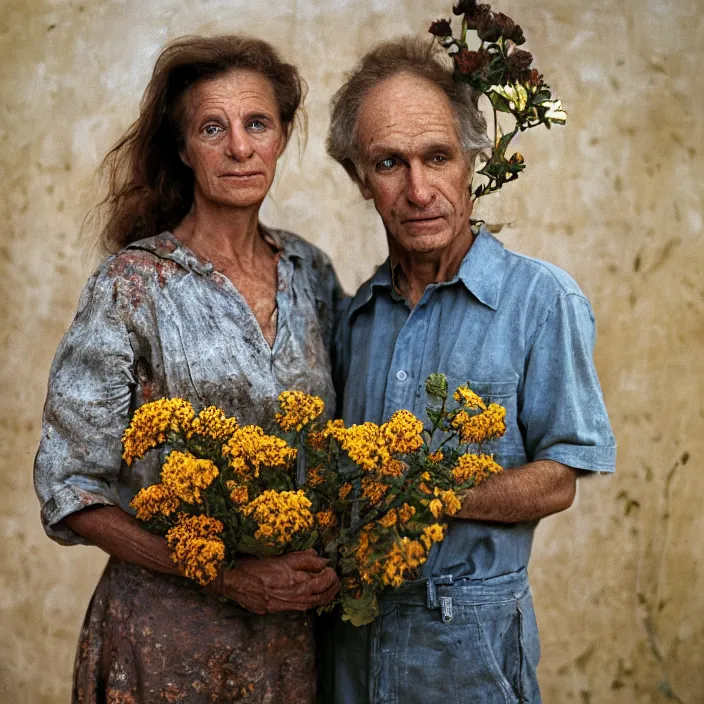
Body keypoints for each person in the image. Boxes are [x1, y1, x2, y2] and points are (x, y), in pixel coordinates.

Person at [34, 35, 341, 703]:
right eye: (213, 128)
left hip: (286, 642)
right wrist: (226, 576)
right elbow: (71, 489)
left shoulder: (310, 273)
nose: (239, 147)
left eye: (257, 123)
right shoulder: (131, 285)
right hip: (162, 638)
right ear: (183, 149)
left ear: (282, 135)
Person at [322, 37, 616, 703]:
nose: (419, 189)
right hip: (350, 647)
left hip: (468, 655)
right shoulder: (356, 317)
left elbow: (560, 477)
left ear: (472, 164)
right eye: (389, 163)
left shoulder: (541, 301)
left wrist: (427, 491)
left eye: (437, 157)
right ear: (361, 181)